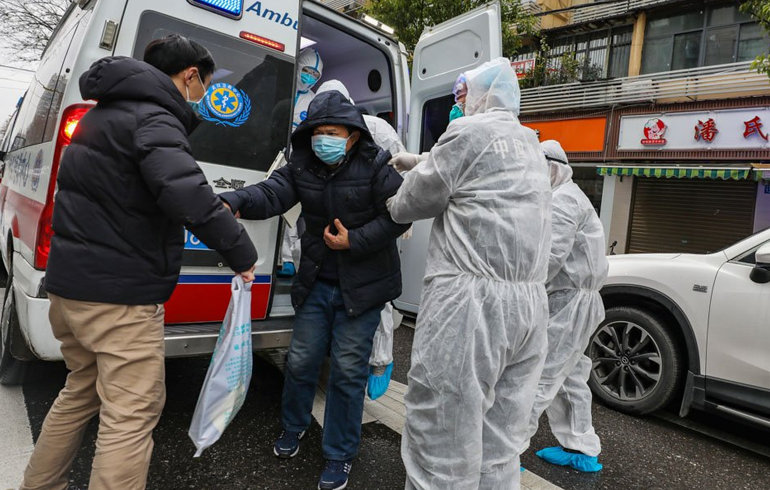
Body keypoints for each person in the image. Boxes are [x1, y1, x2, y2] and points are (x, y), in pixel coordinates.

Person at [20, 36, 257, 490]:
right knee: (131, 415)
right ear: (191, 75)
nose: (203, 96)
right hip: (119, 298)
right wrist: (242, 255)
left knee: (80, 391)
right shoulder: (155, 118)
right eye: (205, 85)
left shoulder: (101, 115)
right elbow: (188, 194)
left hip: (70, 289)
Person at [219, 90, 409, 490]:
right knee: (301, 360)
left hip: (364, 289)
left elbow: (399, 217)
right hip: (317, 282)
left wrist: (353, 241)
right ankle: (293, 425)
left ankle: (339, 454)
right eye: (318, 132)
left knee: (346, 372)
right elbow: (271, 193)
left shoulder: (376, 164)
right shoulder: (303, 163)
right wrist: (234, 200)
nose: (324, 139)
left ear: (353, 135)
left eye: (333, 132)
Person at [387, 58, 552, 490]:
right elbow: (479, 172)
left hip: (470, 307)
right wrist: (422, 158)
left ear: (482, 96)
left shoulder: (466, 132)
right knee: (500, 445)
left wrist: (396, 192)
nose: (457, 106)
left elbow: (413, 201)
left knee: (441, 436)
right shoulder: (530, 143)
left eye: (461, 97)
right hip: (529, 309)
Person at [316, 80, 406, 399]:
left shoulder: (377, 129)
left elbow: (400, 172)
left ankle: (380, 361)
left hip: (373, 224)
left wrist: (396, 217)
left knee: (374, 294)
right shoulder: (317, 131)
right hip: (335, 225)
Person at [524, 140, 608, 473]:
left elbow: (549, 260)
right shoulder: (562, 198)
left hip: (570, 303)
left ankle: (502, 454)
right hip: (571, 301)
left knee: (539, 376)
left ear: (554, 168)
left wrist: (521, 293)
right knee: (570, 375)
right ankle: (581, 446)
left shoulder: (563, 202)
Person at [278, 47, 326, 278]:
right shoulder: (279, 86)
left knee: (290, 210)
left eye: (315, 75)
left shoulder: (313, 101)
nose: (310, 77)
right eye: (307, 70)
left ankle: (288, 260)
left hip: (296, 161)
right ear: (298, 66)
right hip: (271, 156)